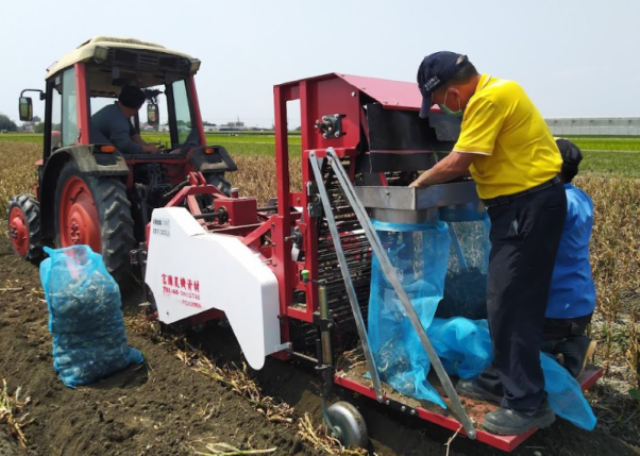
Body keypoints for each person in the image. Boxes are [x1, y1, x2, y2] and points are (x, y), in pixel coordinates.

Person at [411, 51, 566, 436]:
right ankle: (501, 378)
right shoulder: (496, 93)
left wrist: (418, 183)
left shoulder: (487, 98)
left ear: (452, 92)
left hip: (526, 209)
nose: (444, 110)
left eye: (439, 103)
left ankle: (527, 402)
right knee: (506, 301)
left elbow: (460, 161)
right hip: (520, 209)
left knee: (512, 305)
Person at [542, 138, 596, 378]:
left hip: (557, 309)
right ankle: (572, 343)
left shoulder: (553, 204)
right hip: (580, 300)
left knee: (517, 351)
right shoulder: (581, 197)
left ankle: (568, 351)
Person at [92, 86, 160, 154]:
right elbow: (124, 146)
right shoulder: (118, 120)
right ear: (137, 109)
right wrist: (147, 149)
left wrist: (147, 146)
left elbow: (133, 135)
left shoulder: (114, 110)